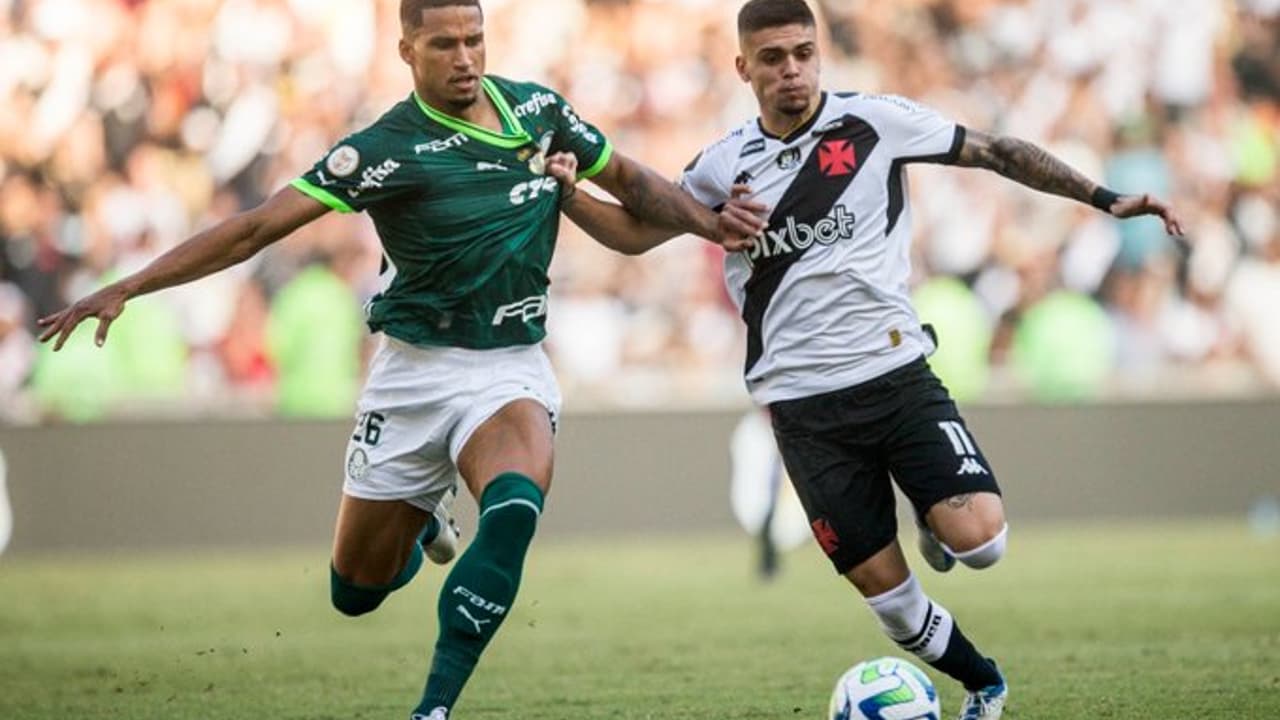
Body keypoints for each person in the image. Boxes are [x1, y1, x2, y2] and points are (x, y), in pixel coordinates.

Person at [36, 2, 753, 718]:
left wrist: (710, 225)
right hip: (414, 375)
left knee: (511, 512)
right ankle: (424, 522)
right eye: (445, 44)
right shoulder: (386, 149)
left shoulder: (539, 110)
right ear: (407, 50)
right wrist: (129, 286)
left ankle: (433, 708)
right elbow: (253, 229)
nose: (465, 58)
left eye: (475, 40)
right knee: (355, 592)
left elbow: (630, 184)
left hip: (508, 366)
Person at [548, 1, 1184, 718]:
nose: (792, 70)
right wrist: (568, 197)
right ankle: (985, 684)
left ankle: (933, 521)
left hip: (895, 377)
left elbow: (998, 151)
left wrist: (1104, 198)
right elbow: (635, 234)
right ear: (742, 68)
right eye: (774, 58)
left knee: (983, 546)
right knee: (892, 605)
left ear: (819, 53)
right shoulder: (721, 167)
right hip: (802, 409)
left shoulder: (873, 123)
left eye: (803, 52)